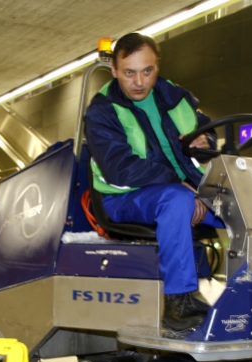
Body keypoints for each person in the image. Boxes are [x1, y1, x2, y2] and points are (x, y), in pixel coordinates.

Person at [84, 32, 222, 338]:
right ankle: (179, 304)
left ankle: (248, 293)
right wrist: (182, 186)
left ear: (156, 66)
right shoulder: (102, 111)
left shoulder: (175, 96)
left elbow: (204, 127)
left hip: (181, 189)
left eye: (146, 71)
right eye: (129, 73)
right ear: (115, 71)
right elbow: (121, 169)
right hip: (123, 197)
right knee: (176, 201)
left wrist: (205, 140)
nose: (138, 82)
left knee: (241, 202)